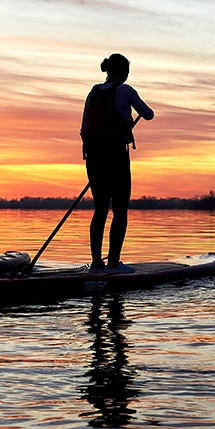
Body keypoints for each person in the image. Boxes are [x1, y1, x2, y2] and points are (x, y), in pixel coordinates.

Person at [80, 53, 154, 273]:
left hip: (93, 158)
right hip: (116, 158)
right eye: (127, 72)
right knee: (120, 210)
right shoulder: (125, 90)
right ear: (121, 72)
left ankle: (96, 264)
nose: (127, 76)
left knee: (100, 209)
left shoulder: (92, 93)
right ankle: (113, 263)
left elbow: (84, 128)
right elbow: (148, 114)